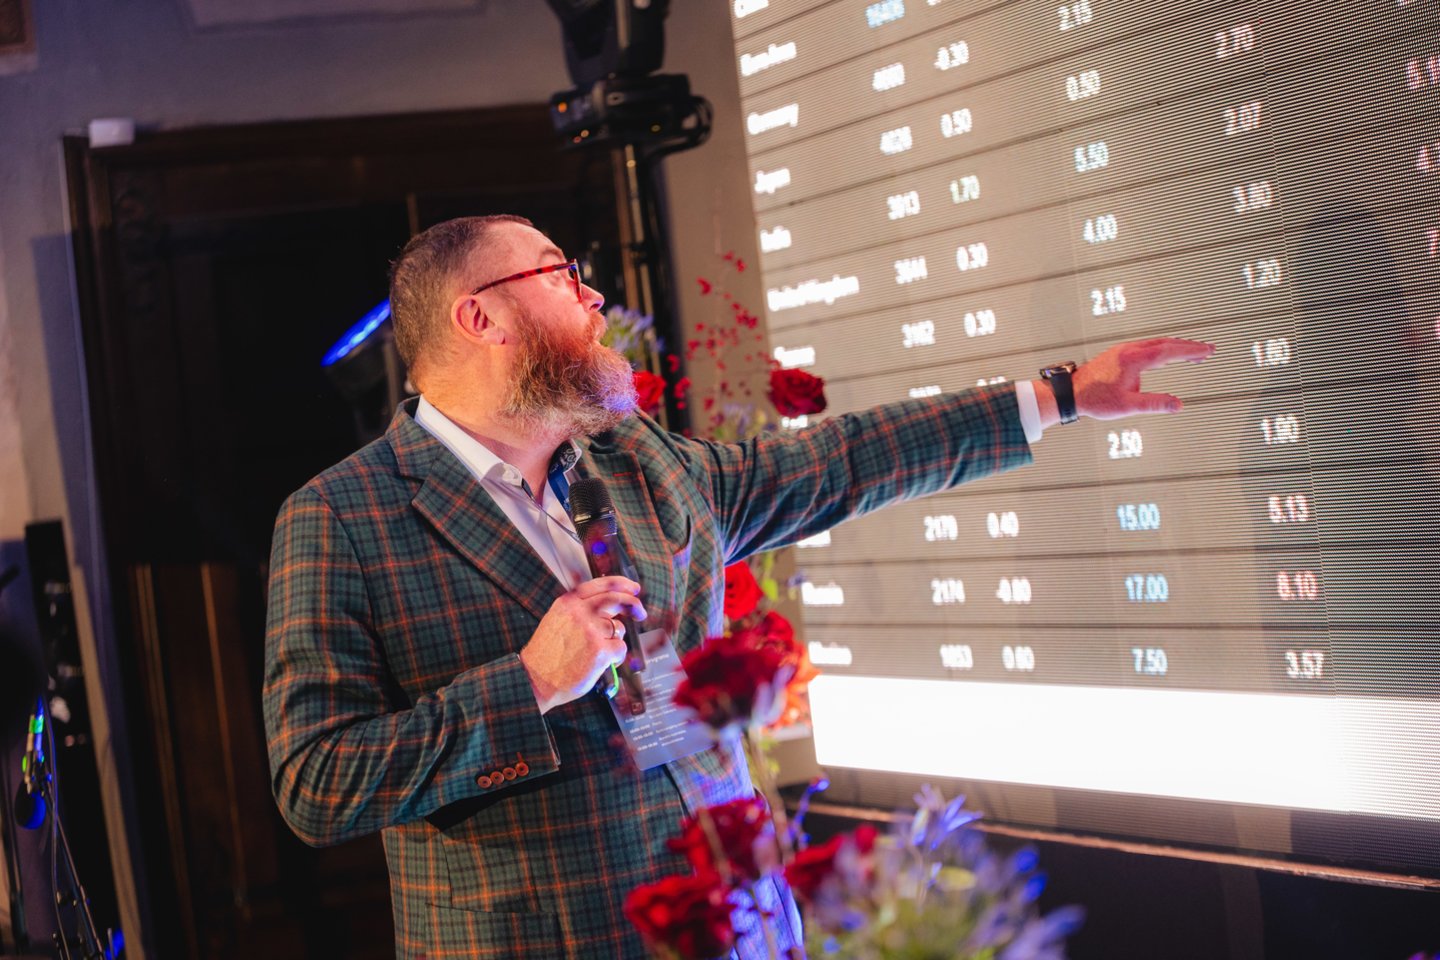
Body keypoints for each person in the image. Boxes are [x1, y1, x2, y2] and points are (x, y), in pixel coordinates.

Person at [262, 214, 1214, 959]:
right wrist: (530, 684)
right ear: (480, 316)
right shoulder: (341, 517)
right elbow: (317, 784)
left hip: (746, 932)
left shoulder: (634, 458)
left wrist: (1058, 395)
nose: (595, 298)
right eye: (560, 275)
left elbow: (837, 464)